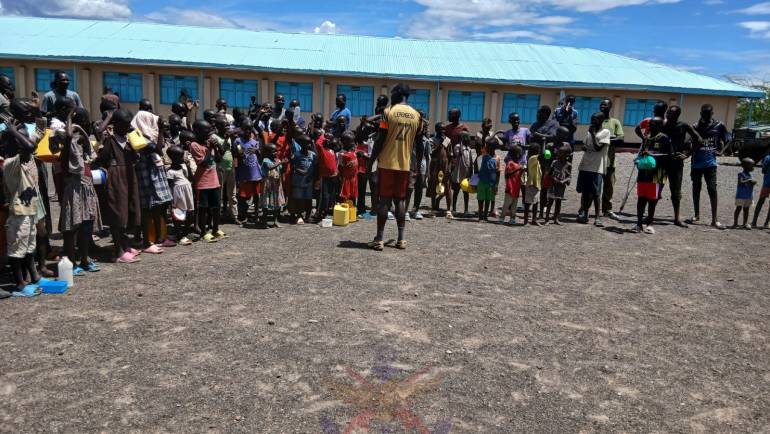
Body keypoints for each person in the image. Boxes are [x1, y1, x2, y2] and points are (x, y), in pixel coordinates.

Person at [50, 107, 102, 274]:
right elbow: (70, 136)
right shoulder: (67, 146)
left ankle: (85, 259)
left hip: (86, 188)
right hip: (74, 190)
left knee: (86, 226)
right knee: (72, 227)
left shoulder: (82, 147)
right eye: (84, 122)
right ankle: (72, 262)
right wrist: (69, 118)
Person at [369, 83, 420, 251]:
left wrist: (371, 160)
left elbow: (380, 139)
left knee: (384, 200)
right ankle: (401, 239)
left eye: (392, 93)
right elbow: (418, 144)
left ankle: (380, 238)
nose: (391, 96)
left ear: (398, 94)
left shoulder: (387, 112)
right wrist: (417, 164)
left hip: (387, 163)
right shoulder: (416, 115)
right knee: (400, 200)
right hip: (405, 164)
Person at [2, 121, 47, 294]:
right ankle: (20, 283)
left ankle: (34, 275)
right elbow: (30, 146)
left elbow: (31, 145)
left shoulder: (23, 161)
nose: (31, 149)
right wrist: (13, 132)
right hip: (19, 215)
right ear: (17, 147)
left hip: (29, 212)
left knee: (29, 247)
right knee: (17, 250)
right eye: (23, 141)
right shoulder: (10, 164)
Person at [97, 109, 142, 263]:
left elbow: (137, 155)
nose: (126, 127)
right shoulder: (110, 140)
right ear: (115, 124)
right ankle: (118, 251)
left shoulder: (128, 140)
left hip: (129, 176)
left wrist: (134, 134)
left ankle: (125, 245)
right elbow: (102, 158)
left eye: (128, 125)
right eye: (123, 125)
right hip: (117, 178)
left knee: (128, 211)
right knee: (118, 213)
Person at [689, 104, 729, 229]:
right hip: (696, 163)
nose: (705, 116)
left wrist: (721, 151)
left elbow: (728, 139)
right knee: (696, 188)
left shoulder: (719, 125)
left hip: (711, 163)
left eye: (708, 113)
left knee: (712, 189)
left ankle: (714, 219)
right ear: (700, 113)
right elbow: (689, 142)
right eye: (703, 113)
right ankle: (696, 215)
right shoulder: (695, 127)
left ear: (712, 113)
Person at [663, 105, 701, 227]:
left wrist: (688, 154)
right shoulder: (662, 125)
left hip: (676, 163)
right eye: (668, 112)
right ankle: (649, 216)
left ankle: (676, 218)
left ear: (677, 115)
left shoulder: (683, 126)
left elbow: (699, 139)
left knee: (676, 192)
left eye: (671, 113)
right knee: (656, 189)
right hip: (661, 161)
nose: (668, 114)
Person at [633, 117, 671, 234]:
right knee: (641, 199)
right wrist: (638, 160)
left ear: (659, 126)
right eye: (649, 124)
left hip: (656, 175)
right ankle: (639, 223)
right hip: (643, 174)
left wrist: (652, 154)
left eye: (653, 124)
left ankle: (649, 223)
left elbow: (668, 155)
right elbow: (641, 153)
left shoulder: (664, 138)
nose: (649, 126)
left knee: (652, 200)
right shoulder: (646, 139)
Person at [190, 119, 225, 242]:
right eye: (207, 131)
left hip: (214, 180)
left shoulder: (208, 143)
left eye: (210, 131)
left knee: (216, 207)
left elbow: (219, 159)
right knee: (203, 208)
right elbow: (203, 163)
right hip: (203, 182)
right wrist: (210, 149)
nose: (209, 134)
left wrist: (217, 146)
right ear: (197, 132)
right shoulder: (195, 145)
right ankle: (204, 232)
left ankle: (215, 229)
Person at [576, 112, 611, 226]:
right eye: (592, 119)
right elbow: (586, 145)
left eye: (595, 119)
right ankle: (584, 214)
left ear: (602, 120)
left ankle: (597, 217)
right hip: (586, 165)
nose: (592, 122)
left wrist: (593, 133)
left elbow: (597, 148)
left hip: (596, 167)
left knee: (596, 193)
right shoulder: (589, 132)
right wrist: (585, 147)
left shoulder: (605, 132)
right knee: (585, 192)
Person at [233, 118, 262, 225]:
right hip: (244, 173)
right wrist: (237, 172)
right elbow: (236, 156)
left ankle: (256, 215)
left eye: (250, 129)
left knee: (256, 195)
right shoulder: (238, 141)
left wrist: (257, 151)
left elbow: (260, 156)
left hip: (255, 173)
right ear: (242, 129)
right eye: (246, 129)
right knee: (243, 196)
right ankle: (242, 215)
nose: (248, 132)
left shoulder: (255, 142)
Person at [599, 98, 625, 219]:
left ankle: (607, 209)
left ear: (610, 107)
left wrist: (605, 140)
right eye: (601, 105)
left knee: (609, 186)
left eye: (605, 105)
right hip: (596, 161)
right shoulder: (596, 120)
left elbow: (620, 138)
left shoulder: (614, 122)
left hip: (609, 161)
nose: (602, 106)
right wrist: (611, 138)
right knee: (595, 187)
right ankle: (586, 209)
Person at [166, 146, 195, 246]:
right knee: (179, 215)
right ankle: (179, 235)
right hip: (178, 195)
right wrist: (170, 201)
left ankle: (184, 233)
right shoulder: (170, 172)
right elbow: (169, 187)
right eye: (180, 157)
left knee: (190, 213)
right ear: (173, 158)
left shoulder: (183, 167)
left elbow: (191, 178)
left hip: (187, 193)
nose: (182, 158)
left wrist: (188, 167)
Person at [289, 133, 317, 224]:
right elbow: (292, 166)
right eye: (307, 143)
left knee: (308, 199)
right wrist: (298, 170)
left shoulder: (312, 155)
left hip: (309, 181)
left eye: (310, 143)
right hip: (298, 181)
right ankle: (299, 215)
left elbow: (316, 165)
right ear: (301, 144)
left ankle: (308, 216)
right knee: (299, 199)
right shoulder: (296, 155)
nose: (309, 145)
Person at [427, 122, 452, 218]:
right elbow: (431, 153)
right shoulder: (432, 140)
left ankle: (448, 210)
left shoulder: (447, 140)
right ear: (437, 130)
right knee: (434, 186)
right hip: (435, 166)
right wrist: (440, 144)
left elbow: (450, 155)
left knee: (448, 188)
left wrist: (449, 168)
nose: (443, 131)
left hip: (445, 166)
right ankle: (433, 209)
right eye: (441, 129)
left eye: (444, 129)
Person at [260, 142, 286, 228]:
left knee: (277, 204)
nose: (276, 153)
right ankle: (264, 221)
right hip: (267, 185)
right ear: (267, 153)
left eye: (276, 151)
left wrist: (284, 164)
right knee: (266, 204)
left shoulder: (278, 160)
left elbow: (281, 171)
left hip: (276, 185)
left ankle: (275, 220)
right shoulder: (265, 160)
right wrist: (281, 162)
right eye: (273, 151)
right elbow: (270, 167)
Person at [545, 145, 572, 225]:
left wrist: (563, 181)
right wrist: (554, 179)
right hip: (552, 185)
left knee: (558, 202)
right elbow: (549, 173)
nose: (558, 154)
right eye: (558, 152)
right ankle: (546, 219)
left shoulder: (568, 165)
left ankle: (556, 218)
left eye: (561, 153)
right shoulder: (554, 162)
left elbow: (569, 176)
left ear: (566, 155)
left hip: (561, 186)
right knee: (550, 202)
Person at [451, 131, 473, 216]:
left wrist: (471, 173)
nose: (469, 139)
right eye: (466, 137)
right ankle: (454, 209)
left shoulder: (469, 149)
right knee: (456, 192)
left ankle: (466, 210)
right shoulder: (457, 147)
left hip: (466, 174)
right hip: (458, 174)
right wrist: (460, 142)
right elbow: (459, 154)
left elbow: (471, 162)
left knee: (466, 193)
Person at [500, 145, 524, 225]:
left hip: (516, 189)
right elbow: (507, 175)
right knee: (506, 205)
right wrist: (517, 169)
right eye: (519, 153)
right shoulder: (510, 163)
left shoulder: (519, 164)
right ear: (515, 154)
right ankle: (502, 218)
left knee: (514, 206)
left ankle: (512, 218)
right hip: (510, 188)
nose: (521, 155)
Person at [476, 137, 498, 222]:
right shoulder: (484, 156)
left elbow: (497, 172)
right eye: (487, 146)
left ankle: (485, 216)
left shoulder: (496, 158)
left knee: (488, 199)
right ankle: (480, 216)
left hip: (491, 183)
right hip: (482, 181)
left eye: (489, 146)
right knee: (481, 199)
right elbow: (482, 146)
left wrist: (496, 184)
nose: (487, 147)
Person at [733, 157, 757, 229]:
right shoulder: (741, 174)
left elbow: (751, 182)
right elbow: (740, 182)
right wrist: (749, 180)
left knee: (746, 210)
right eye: (752, 165)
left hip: (748, 196)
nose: (753, 167)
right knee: (738, 208)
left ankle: (745, 223)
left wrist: (753, 182)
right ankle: (735, 223)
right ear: (746, 166)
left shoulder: (750, 175)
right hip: (741, 196)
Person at [523, 143, 542, 226]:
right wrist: (544, 142)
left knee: (536, 202)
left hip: (537, 184)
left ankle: (534, 220)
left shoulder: (535, 159)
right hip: (531, 183)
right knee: (528, 203)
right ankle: (526, 221)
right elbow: (543, 154)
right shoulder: (532, 158)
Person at [338, 131, 359, 204]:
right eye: (351, 141)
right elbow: (340, 167)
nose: (353, 143)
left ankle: (353, 211)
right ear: (344, 142)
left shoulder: (354, 151)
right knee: (345, 196)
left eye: (353, 141)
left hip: (354, 178)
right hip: (346, 179)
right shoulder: (341, 153)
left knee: (353, 196)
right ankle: (345, 212)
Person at [752, 151, 770, 229]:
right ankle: (766, 223)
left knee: (761, 201)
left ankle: (754, 222)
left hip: (767, 183)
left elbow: (763, 170)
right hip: (767, 182)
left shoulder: (767, 157)